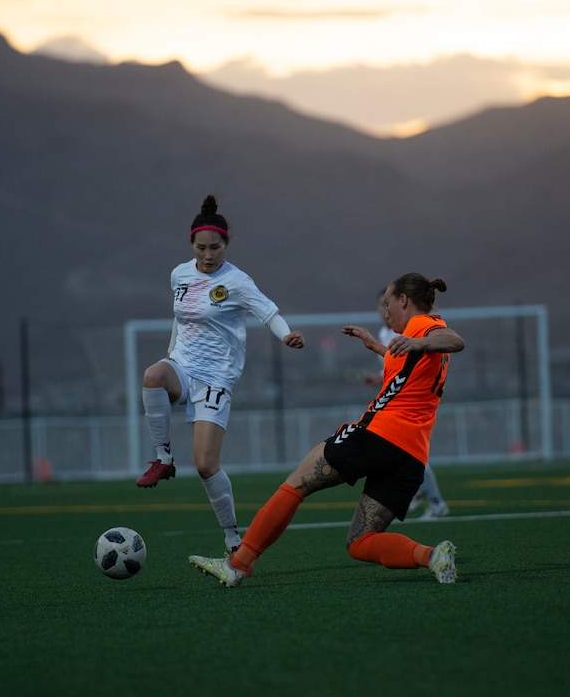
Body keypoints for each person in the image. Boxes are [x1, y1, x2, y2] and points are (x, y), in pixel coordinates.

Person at [189, 272, 465, 586]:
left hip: (378, 435)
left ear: (404, 300)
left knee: (295, 485)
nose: (385, 312)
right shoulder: (417, 343)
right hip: (412, 455)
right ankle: (432, 556)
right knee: (360, 542)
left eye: (388, 303)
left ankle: (237, 565)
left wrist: (420, 340)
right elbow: (409, 365)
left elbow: (455, 340)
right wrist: (375, 345)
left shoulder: (423, 326)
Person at [137, 195, 305, 556]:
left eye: (215, 247)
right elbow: (179, 317)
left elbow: (269, 313)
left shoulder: (238, 281)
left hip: (216, 378)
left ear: (227, 244)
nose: (208, 255)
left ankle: (232, 537)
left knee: (205, 464)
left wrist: (286, 334)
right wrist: (171, 352)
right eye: (201, 248)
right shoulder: (179, 274)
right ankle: (163, 459)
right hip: (183, 364)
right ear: (191, 245)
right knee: (152, 375)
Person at [365, 287, 450, 520]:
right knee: (398, 453)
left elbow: (411, 368)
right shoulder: (386, 333)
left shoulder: (412, 329)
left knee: (410, 454)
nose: (383, 310)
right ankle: (420, 494)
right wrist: (377, 378)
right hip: (395, 402)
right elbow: (394, 369)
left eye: (387, 304)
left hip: (411, 403)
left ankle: (435, 502)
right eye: (380, 305)